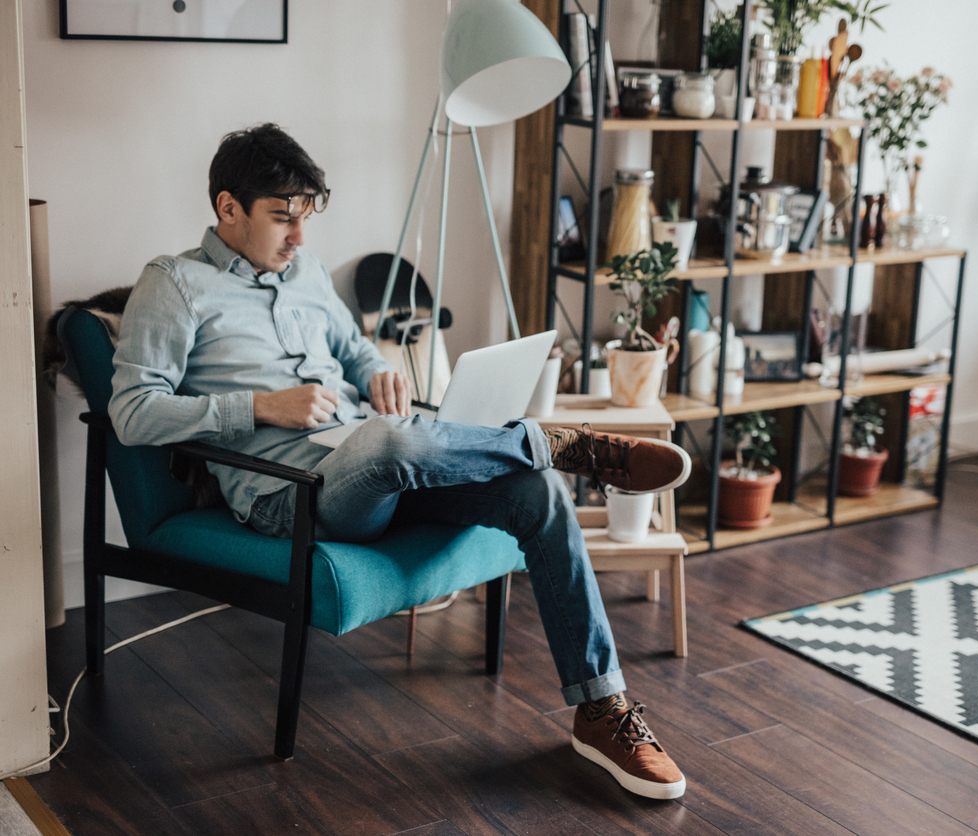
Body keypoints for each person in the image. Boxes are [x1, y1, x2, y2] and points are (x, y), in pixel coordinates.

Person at [109, 123, 689, 800]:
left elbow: (353, 355)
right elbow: (132, 413)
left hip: (377, 464)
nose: (298, 239)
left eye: (307, 219)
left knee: (535, 494)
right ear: (227, 207)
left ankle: (601, 709)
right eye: (282, 219)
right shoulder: (174, 283)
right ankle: (555, 442)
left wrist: (378, 370)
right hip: (291, 495)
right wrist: (262, 408)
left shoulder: (308, 275)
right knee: (392, 441)